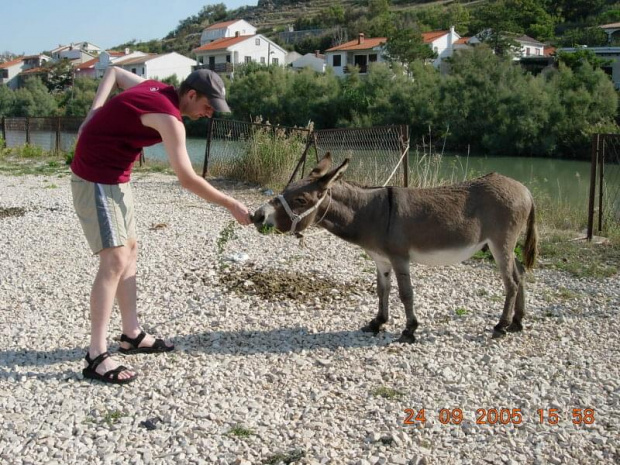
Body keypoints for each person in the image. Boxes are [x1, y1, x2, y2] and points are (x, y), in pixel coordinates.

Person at [71, 66, 252, 385]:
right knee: (113, 259)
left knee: (130, 251)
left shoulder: (156, 88)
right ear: (191, 95)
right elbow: (186, 178)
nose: (208, 114)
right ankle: (95, 355)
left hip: (116, 176)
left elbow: (114, 72)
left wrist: (95, 110)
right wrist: (231, 204)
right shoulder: (169, 117)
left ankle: (131, 334)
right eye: (207, 107)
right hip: (96, 176)